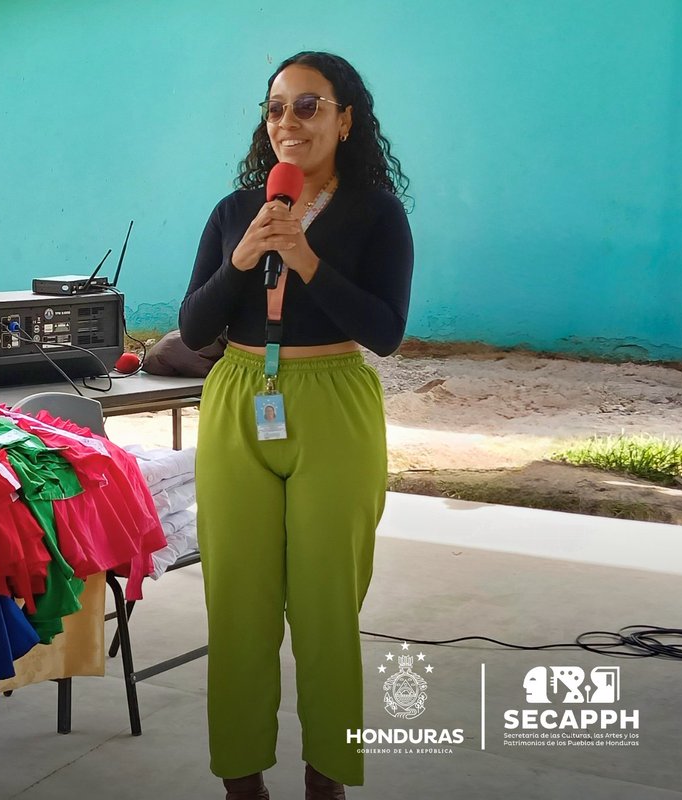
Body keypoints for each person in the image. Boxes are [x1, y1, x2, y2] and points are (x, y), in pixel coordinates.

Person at [178, 51, 413, 800]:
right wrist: (243, 257)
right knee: (238, 602)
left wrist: (306, 259)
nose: (289, 122)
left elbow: (385, 330)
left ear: (346, 119)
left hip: (332, 396)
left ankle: (327, 776)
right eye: (276, 107)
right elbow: (192, 324)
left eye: (308, 106)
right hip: (238, 393)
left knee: (325, 607)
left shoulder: (377, 212)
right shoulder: (232, 211)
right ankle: (240, 780)